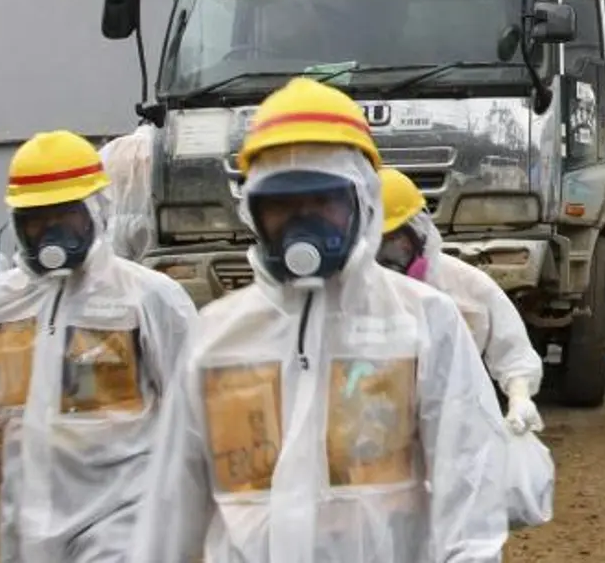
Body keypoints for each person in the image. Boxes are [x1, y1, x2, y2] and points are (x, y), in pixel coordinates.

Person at [131, 77, 510, 562]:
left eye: (322, 203)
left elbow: (469, 479)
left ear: (362, 203)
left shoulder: (423, 322)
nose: (301, 223)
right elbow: (173, 504)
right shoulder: (217, 337)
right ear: (253, 212)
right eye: (281, 207)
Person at [0, 130, 199, 562]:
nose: (50, 231)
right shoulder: (0, 304)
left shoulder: (147, 298)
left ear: (95, 210)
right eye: (36, 219)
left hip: (127, 523)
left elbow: (199, 409)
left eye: (64, 215)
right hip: (29, 531)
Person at [374, 166, 553, 529]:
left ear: (420, 234)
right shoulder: (350, 300)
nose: (388, 258)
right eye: (376, 247)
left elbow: (512, 347)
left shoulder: (466, 285)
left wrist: (520, 396)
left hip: (461, 435)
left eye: (396, 243)